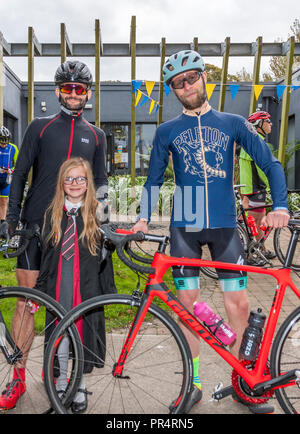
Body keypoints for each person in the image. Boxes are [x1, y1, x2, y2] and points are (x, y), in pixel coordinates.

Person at [132, 50, 289, 414]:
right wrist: (142, 218)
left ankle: (243, 382)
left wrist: (280, 206)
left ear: (205, 78)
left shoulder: (234, 123)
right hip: (184, 227)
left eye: (191, 78)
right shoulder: (166, 131)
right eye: (178, 83)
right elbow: (153, 180)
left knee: (239, 304)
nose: (186, 86)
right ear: (173, 90)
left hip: (224, 226)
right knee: (188, 309)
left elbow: (270, 163)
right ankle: (194, 383)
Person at [0, 60, 113, 411]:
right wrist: (12, 221)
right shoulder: (39, 126)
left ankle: (69, 377)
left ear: (89, 93)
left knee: (74, 303)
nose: (74, 94)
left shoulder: (97, 136)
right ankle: (17, 378)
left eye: (80, 89)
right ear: (58, 90)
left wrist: (105, 228)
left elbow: (102, 184)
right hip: (36, 227)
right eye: (68, 88)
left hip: (76, 230)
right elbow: (19, 175)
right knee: (27, 303)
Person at [34, 157, 115, 414]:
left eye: (80, 178)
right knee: (60, 337)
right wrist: (38, 292)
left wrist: (107, 291)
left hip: (85, 287)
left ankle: (79, 385)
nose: (75, 183)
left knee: (80, 335)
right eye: (69, 179)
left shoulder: (97, 212)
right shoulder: (52, 213)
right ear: (62, 183)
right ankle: (60, 383)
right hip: (59, 286)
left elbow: (107, 257)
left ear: (88, 183)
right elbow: (45, 258)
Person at [239, 111, 276, 260]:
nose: (271, 123)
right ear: (259, 124)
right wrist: (273, 184)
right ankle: (253, 252)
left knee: (253, 220)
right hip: (256, 188)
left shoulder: (250, 141)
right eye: (267, 121)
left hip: (248, 187)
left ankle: (260, 248)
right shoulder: (258, 143)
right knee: (258, 221)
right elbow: (263, 170)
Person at [0, 126, 19, 222]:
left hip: (6, 179)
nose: (4, 145)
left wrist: (11, 170)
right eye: (2, 143)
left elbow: (19, 164)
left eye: (5, 143)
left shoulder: (13, 148)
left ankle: (2, 225)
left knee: (3, 202)